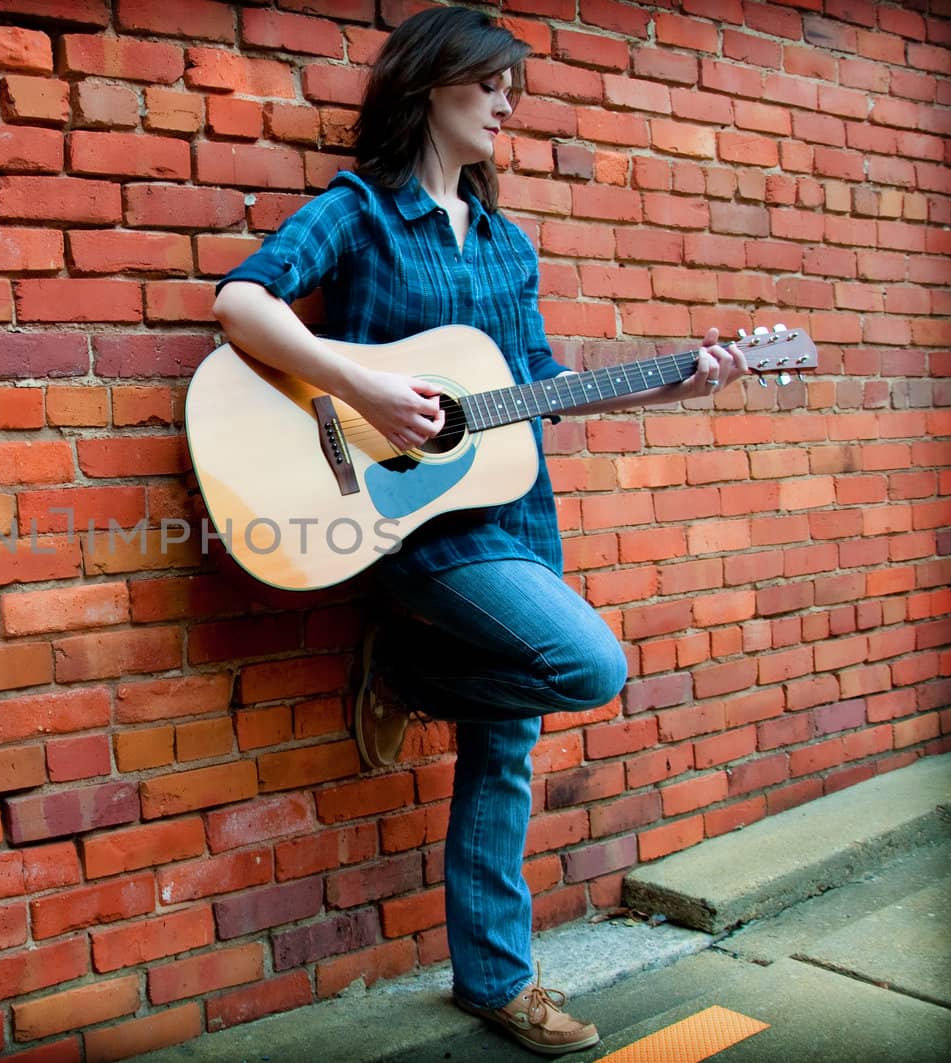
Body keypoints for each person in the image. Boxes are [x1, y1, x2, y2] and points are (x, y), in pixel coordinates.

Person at [210, 6, 748, 1057]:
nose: (507, 102)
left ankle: (495, 981)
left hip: (512, 518)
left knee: (505, 752)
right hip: (395, 521)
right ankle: (411, 671)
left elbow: (536, 387)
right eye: (491, 81)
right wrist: (357, 377)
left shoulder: (507, 243)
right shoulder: (359, 212)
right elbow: (241, 302)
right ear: (428, 86)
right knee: (589, 664)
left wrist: (675, 386)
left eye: (513, 86)